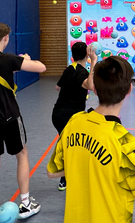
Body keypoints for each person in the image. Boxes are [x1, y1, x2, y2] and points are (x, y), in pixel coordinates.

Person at [47, 56, 135, 222]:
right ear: (129, 89)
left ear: (95, 89)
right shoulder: (125, 144)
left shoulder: (74, 122)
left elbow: (52, 171)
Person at [0, 22, 47, 223]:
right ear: (6, 38)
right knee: (21, 155)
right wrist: (25, 60)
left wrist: (14, 67)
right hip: (8, 116)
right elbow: (41, 68)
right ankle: (25, 203)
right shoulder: (8, 59)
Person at [52, 41, 97, 191]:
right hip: (70, 116)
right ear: (86, 55)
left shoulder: (69, 69)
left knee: (68, 145)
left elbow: (58, 87)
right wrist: (95, 61)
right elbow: (90, 85)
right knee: (73, 147)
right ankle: (66, 178)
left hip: (57, 114)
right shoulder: (82, 71)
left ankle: (66, 176)